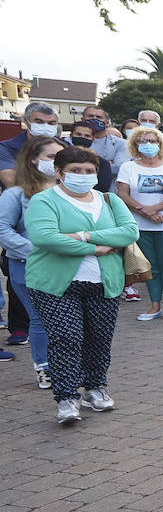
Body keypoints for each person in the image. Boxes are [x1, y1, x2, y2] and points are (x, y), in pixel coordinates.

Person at [22, 144, 139, 424]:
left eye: (89, 170)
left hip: (104, 283)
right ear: (60, 172)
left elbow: (130, 232)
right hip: (55, 285)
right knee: (66, 339)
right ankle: (66, 398)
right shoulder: (44, 201)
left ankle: (95, 389)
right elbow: (45, 237)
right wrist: (94, 245)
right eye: (75, 170)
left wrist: (80, 235)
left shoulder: (110, 200)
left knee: (99, 339)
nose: (83, 175)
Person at [0, 136, 62, 386]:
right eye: (51, 157)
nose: (56, 163)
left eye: (61, 157)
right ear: (34, 159)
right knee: (40, 319)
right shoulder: (16, 194)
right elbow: (3, 230)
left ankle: (65, 364)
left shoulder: (70, 193)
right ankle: (45, 367)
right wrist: (38, 250)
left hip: (67, 265)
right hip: (28, 266)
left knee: (64, 320)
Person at [117, 127, 163, 321]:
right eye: (142, 141)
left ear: (160, 144)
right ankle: (154, 306)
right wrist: (144, 212)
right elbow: (122, 194)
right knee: (150, 267)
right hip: (141, 225)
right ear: (135, 145)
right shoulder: (128, 167)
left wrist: (155, 209)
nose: (148, 145)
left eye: (152, 141)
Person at [0, 102, 63, 189]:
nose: (45, 126)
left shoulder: (64, 147)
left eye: (51, 123)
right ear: (26, 121)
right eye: (39, 122)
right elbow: (12, 181)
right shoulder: (6, 148)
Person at [66, 121, 114, 193]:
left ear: (93, 139)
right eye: (78, 134)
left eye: (87, 136)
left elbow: (102, 189)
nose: (82, 138)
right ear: (71, 136)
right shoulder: (61, 158)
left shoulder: (102, 163)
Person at [82, 106, 130, 171]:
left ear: (107, 122)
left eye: (99, 117)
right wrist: (107, 163)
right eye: (90, 116)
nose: (94, 119)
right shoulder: (70, 140)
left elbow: (120, 169)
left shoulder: (121, 143)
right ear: (83, 119)